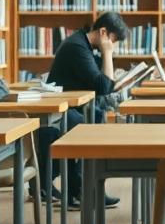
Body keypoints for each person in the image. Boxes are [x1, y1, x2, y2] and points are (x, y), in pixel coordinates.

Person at [36, 12, 129, 210]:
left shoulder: (83, 45)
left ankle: (88, 189)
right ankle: (80, 191)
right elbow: (104, 86)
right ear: (103, 32)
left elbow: (102, 82)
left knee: (96, 113)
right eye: (114, 40)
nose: (114, 46)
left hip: (70, 107)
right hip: (55, 113)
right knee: (89, 121)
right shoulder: (76, 47)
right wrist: (107, 53)